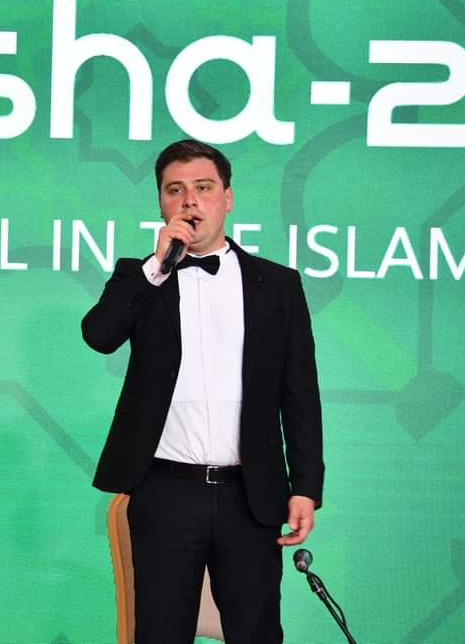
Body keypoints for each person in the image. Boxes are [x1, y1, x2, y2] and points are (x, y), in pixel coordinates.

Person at [81, 139, 324, 643]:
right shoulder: (139, 278)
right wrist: (157, 267)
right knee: (160, 633)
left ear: (227, 198)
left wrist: (305, 485)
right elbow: (99, 335)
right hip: (165, 490)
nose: (190, 200)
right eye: (175, 190)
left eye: (203, 187)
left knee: (256, 632)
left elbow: (300, 391)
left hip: (250, 494)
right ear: (161, 204)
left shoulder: (277, 284)